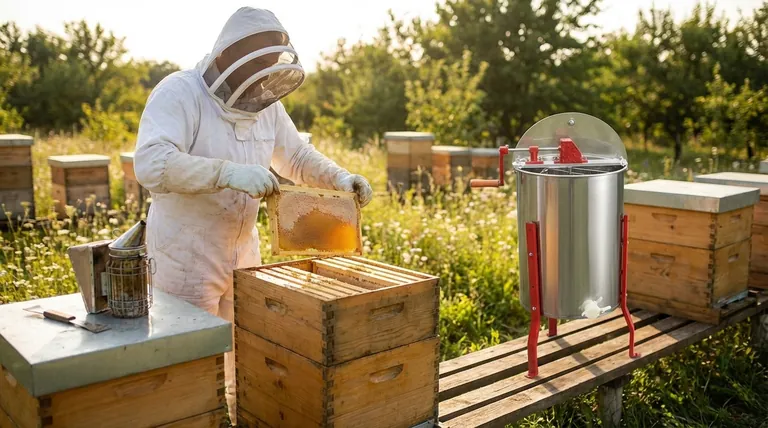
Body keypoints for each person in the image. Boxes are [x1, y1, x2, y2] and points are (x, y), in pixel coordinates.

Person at [133, 7, 373, 424]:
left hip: (243, 248)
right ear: (229, 55)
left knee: (244, 354)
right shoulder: (179, 93)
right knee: (191, 360)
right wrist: (225, 173)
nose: (263, 76)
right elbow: (151, 163)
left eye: (269, 65)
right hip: (186, 253)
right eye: (258, 64)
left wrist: (341, 177)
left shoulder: (266, 105)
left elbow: (295, 155)